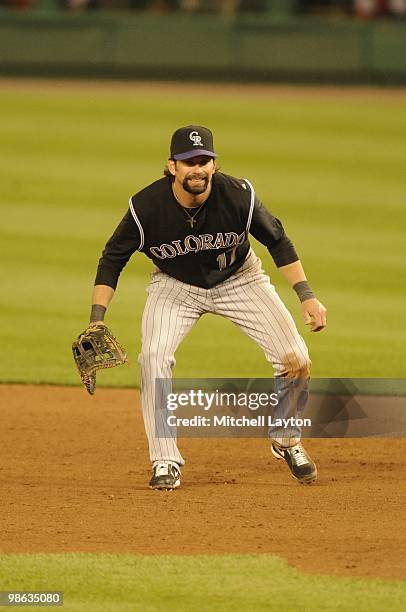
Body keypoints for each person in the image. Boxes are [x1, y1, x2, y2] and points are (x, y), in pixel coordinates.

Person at [89, 125, 327, 490]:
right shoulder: (145, 207)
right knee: (153, 357)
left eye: (204, 161)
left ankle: (286, 439)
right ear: (172, 167)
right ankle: (164, 460)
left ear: (214, 164)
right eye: (189, 162)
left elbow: (277, 241)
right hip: (174, 287)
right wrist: (97, 318)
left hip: (240, 279)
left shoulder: (239, 196)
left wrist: (306, 295)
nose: (197, 169)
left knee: (295, 356)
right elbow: (112, 259)